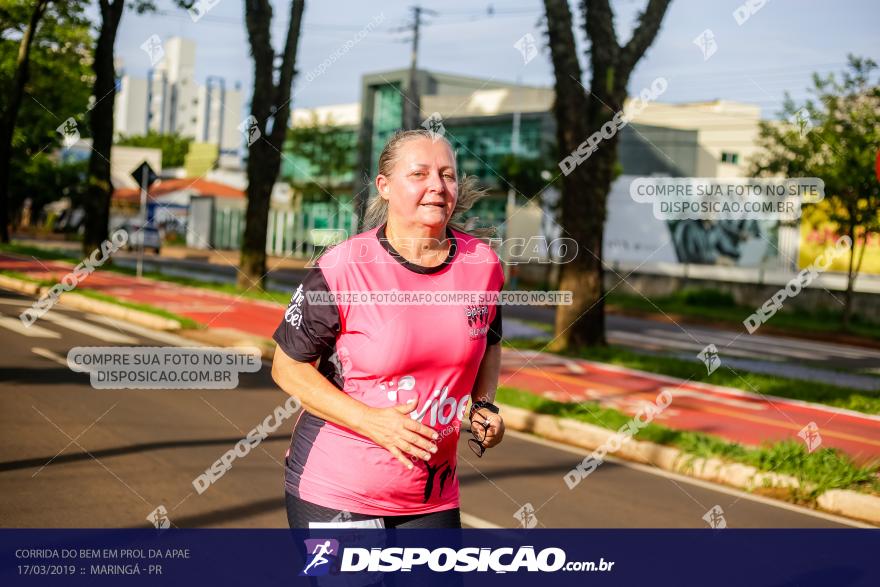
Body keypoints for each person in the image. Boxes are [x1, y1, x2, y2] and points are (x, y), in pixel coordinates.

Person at [272, 129, 505, 529]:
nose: (436, 186)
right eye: (419, 174)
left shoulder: (482, 265)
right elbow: (287, 368)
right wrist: (370, 420)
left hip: (431, 497)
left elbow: (489, 341)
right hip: (337, 493)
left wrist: (483, 405)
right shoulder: (343, 268)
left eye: (447, 175)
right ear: (384, 186)